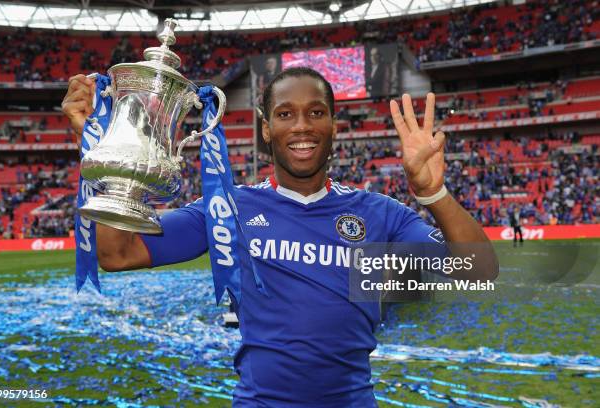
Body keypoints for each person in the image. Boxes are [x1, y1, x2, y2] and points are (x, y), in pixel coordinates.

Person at [62, 67, 498, 407]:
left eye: (316, 113)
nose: (302, 126)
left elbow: (476, 270)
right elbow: (119, 253)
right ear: (266, 128)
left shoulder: (379, 214)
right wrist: (108, 156)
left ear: (334, 126)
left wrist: (432, 191)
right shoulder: (228, 208)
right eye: (285, 114)